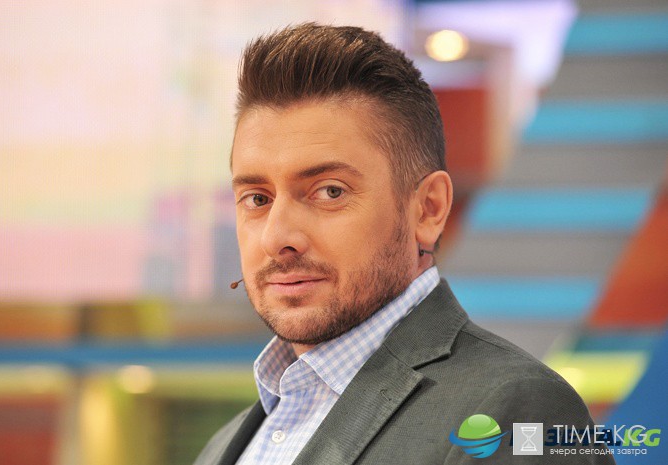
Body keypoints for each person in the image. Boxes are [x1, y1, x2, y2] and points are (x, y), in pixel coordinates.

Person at [195, 23, 615, 465]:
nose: (277, 237)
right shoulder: (224, 446)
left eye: (330, 191)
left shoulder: (517, 413)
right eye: (257, 199)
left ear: (428, 209)